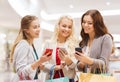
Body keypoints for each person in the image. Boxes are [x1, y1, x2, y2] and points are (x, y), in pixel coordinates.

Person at [10, 15, 51, 80]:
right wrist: (39, 61)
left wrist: (39, 64)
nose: (38, 30)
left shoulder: (30, 45)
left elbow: (31, 68)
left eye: (39, 26)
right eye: (35, 27)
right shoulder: (23, 45)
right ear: (27, 30)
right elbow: (21, 73)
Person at [39, 15, 79, 82]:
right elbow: (42, 65)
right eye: (64, 26)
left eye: (69, 27)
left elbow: (76, 67)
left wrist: (68, 61)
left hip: (69, 79)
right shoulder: (48, 43)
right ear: (58, 26)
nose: (66, 29)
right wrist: (55, 67)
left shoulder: (74, 45)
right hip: (52, 79)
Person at [75, 9, 113, 74]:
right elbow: (80, 67)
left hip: (100, 79)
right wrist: (81, 63)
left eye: (90, 23)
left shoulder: (105, 38)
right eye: (84, 22)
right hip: (87, 78)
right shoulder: (84, 40)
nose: (85, 25)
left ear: (97, 24)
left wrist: (88, 60)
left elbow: (104, 64)